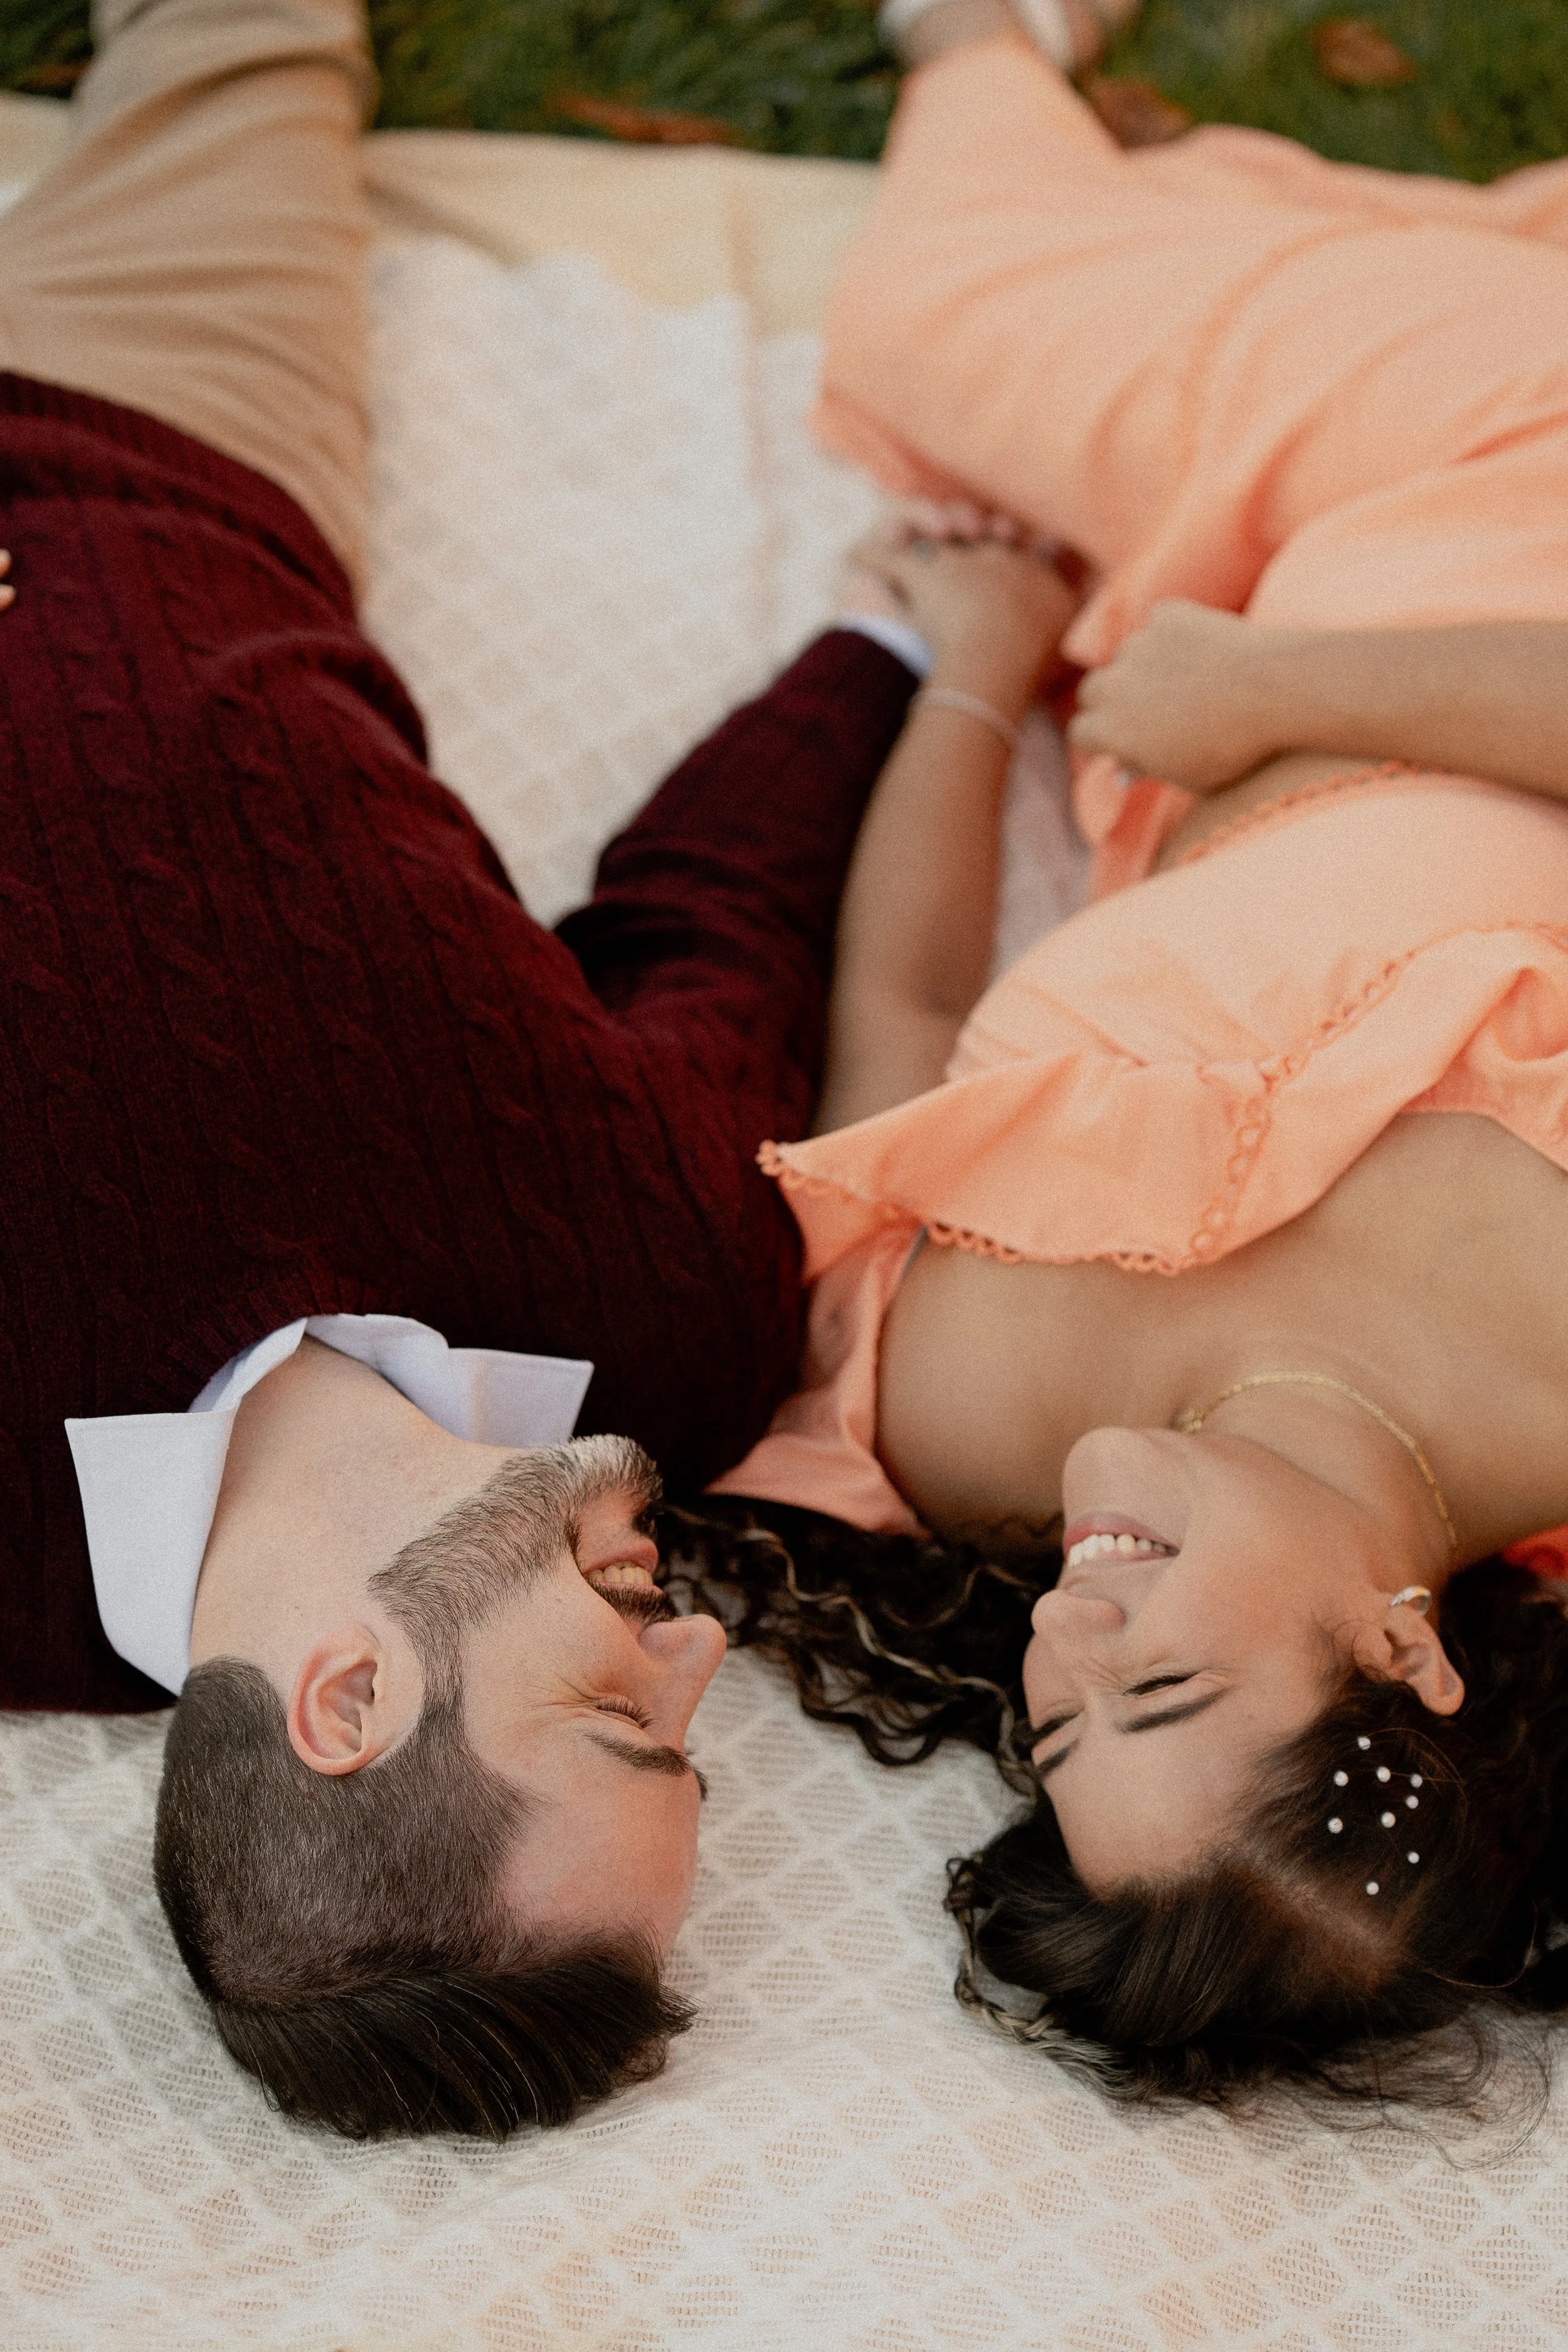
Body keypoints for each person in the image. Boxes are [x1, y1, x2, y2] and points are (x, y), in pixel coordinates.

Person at [0, 0, 1054, 2139]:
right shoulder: (663, 1311)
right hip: (164, 431)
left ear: (347, 1693)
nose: (695, 1667)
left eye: (627, 1729)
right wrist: (889, 647)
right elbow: (709, 920)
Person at [702, 0, 1568, 2107]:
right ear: (1405, 1652)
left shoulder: (953, 1420)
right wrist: (1273, 675)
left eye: (1057, 1731)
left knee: (924, 352)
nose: (1059, 1649)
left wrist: (978, 670)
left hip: (1229, 618)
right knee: (944, 309)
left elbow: (897, 1028)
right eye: (1156, 1686)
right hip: (1502, 524)